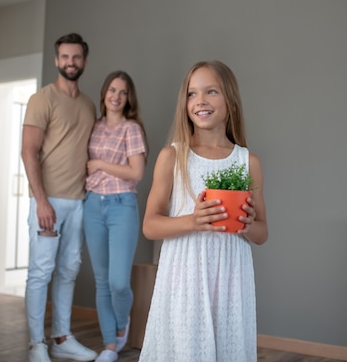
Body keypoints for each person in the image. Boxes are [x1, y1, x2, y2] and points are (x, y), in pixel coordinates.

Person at [138, 60, 268, 362]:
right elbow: (150, 226)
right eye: (192, 94)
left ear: (231, 101)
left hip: (231, 281)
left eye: (211, 91)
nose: (201, 101)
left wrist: (248, 225)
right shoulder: (172, 156)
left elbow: (263, 232)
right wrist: (193, 220)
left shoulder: (249, 162)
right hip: (184, 278)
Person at [21, 32, 99, 362]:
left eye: (76, 57)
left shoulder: (88, 105)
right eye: (65, 57)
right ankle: (37, 343)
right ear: (56, 60)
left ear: (84, 61)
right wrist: (41, 201)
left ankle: (62, 338)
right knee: (41, 271)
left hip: (79, 201)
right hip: (48, 201)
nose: (70, 62)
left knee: (69, 270)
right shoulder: (42, 99)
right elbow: (28, 151)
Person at [82, 70, 148, 362]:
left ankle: (121, 325)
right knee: (101, 280)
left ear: (128, 98)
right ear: (104, 93)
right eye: (112, 90)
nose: (116, 96)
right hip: (92, 206)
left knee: (118, 282)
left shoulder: (131, 129)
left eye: (123, 92)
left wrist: (99, 164)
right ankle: (109, 346)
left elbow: (136, 173)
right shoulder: (94, 126)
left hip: (122, 206)